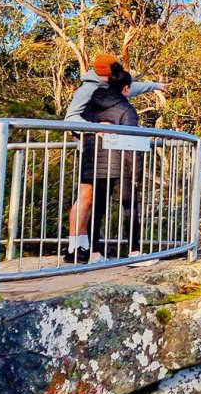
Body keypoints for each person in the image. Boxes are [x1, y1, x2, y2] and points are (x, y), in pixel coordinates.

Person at [63, 55, 162, 262]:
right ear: (109, 74)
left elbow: (130, 88)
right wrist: (97, 129)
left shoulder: (106, 89)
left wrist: (155, 85)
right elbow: (70, 118)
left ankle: (87, 249)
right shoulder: (88, 91)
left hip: (95, 154)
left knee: (93, 202)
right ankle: (75, 247)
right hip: (99, 153)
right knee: (87, 200)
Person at [76, 69, 142, 262]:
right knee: (129, 207)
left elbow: (79, 127)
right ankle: (134, 252)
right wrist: (136, 172)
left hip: (93, 162)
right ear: (126, 88)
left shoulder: (91, 103)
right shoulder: (125, 109)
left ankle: (95, 253)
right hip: (120, 164)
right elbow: (132, 142)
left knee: (97, 209)